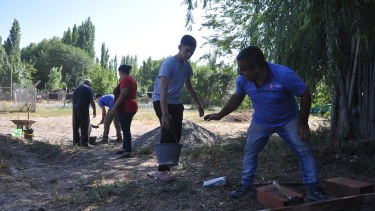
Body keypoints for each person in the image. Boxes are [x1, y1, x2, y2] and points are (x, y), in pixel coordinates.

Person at [204, 46, 327, 202]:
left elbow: (305, 94)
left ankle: (313, 188)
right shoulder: (243, 80)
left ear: (257, 68)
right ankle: (246, 186)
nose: (240, 73)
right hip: (261, 121)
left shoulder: (284, 75)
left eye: (244, 69)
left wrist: (303, 123)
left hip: (288, 120)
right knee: (250, 151)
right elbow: (237, 98)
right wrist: (219, 115)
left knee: (304, 150)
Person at [152, 35, 204, 182]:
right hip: (161, 100)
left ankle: (167, 167)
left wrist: (198, 103)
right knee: (167, 130)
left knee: (177, 133)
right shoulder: (169, 63)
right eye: (186, 50)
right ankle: (162, 171)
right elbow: (162, 91)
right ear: (179, 47)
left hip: (176, 102)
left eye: (192, 52)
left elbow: (189, 86)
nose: (188, 54)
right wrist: (165, 114)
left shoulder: (187, 66)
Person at [112, 64, 138, 158]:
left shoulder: (126, 79)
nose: (119, 75)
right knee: (125, 128)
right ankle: (125, 147)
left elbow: (123, 94)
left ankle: (128, 151)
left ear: (121, 72)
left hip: (127, 107)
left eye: (119, 73)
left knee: (125, 129)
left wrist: (115, 106)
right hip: (131, 105)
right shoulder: (131, 79)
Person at [72, 79, 96, 147]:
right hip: (83, 108)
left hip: (74, 109)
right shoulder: (89, 89)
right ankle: (85, 143)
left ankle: (76, 143)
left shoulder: (76, 89)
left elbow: (73, 100)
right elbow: (92, 101)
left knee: (76, 126)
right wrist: (94, 110)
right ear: (89, 84)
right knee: (85, 125)